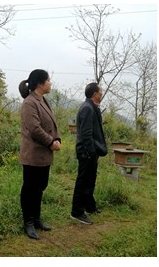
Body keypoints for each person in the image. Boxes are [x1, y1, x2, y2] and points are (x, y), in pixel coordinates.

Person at [19, 69, 61, 240]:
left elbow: (51, 123)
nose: (50, 83)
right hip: (33, 155)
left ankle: (36, 219)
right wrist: (51, 142)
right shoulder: (30, 103)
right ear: (40, 83)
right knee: (30, 189)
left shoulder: (42, 100)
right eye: (48, 80)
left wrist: (57, 138)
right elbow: (35, 128)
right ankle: (28, 222)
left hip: (44, 155)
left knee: (40, 188)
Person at [71, 82, 108, 225]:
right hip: (87, 152)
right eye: (100, 92)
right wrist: (92, 152)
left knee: (90, 180)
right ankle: (77, 212)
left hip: (91, 152)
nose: (102, 94)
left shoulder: (93, 108)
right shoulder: (87, 108)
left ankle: (89, 206)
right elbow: (86, 134)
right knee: (83, 181)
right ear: (94, 94)